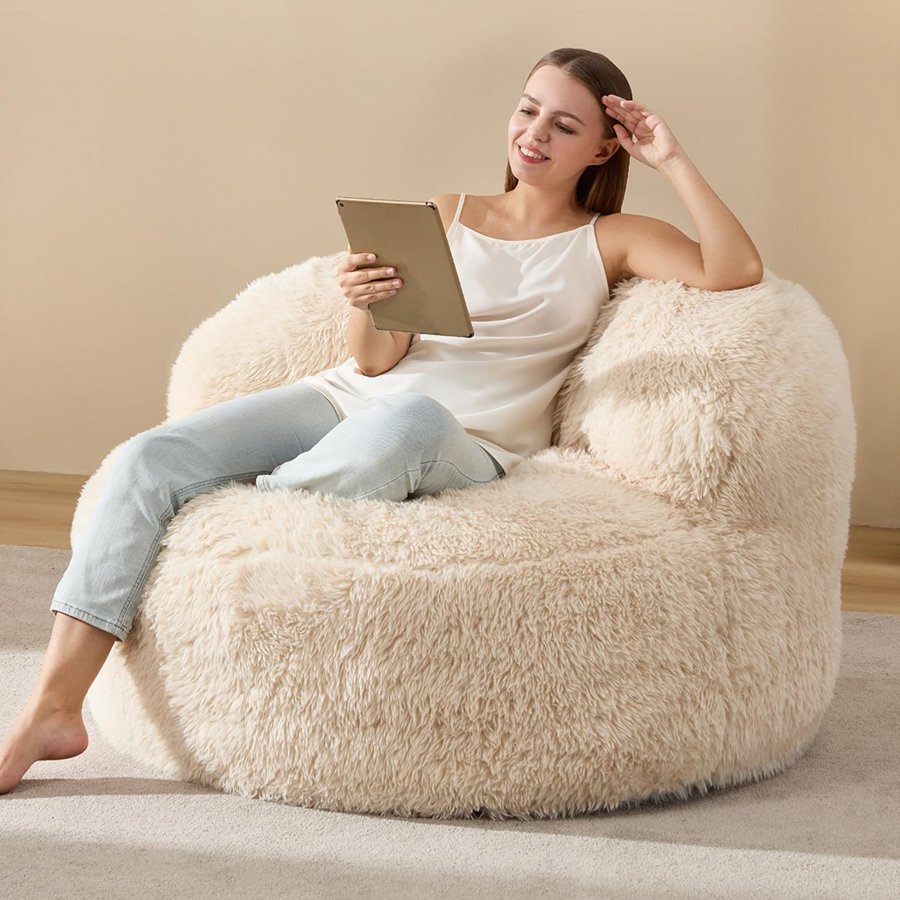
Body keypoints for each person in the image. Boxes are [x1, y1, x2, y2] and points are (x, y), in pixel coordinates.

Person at [0, 47, 763, 794]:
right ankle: (54, 707)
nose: (535, 134)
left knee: (408, 422)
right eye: (528, 111)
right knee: (148, 459)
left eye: (564, 126)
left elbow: (735, 269)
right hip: (345, 400)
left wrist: (671, 159)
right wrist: (366, 303)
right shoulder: (449, 213)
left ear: (603, 148)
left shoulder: (613, 239)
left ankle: (246, 508)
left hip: (461, 439)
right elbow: (373, 362)